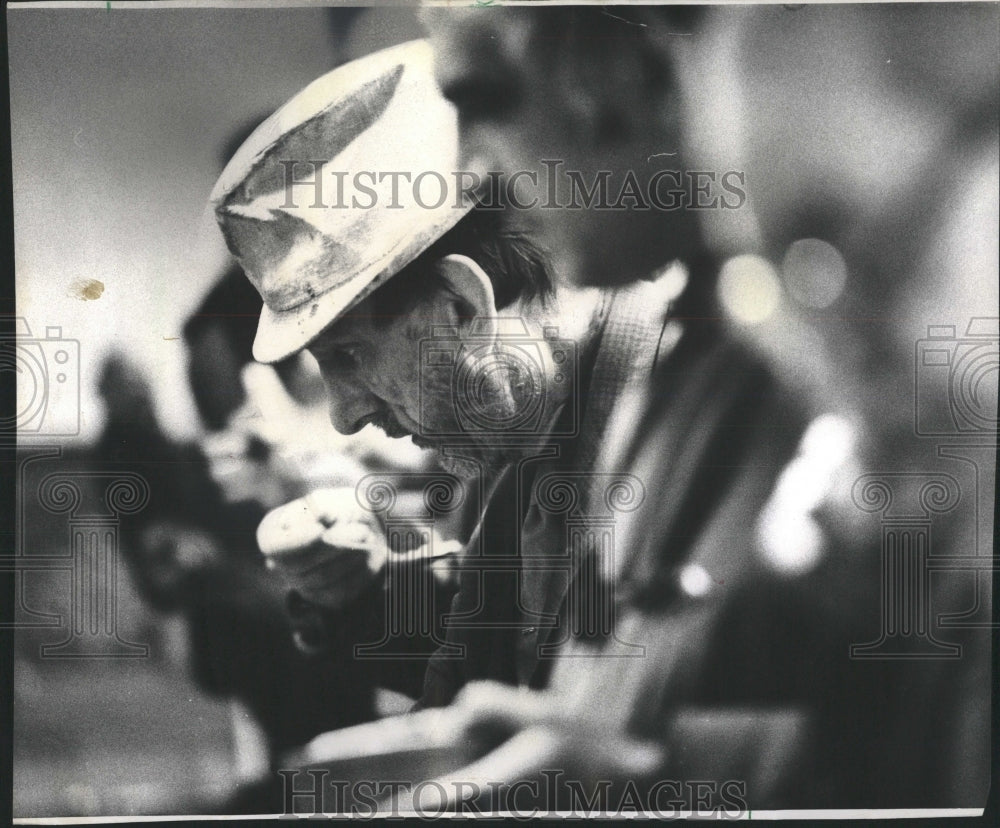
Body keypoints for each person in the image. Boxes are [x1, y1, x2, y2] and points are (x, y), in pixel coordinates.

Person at [416, 3, 995, 811]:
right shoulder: (659, 343)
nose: (809, 342)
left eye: (835, 250)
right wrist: (623, 772)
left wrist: (642, 781)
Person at [210, 39, 691, 718]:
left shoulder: (678, 399)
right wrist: (363, 589)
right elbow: (498, 646)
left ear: (464, 306)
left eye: (348, 356)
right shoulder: (515, 425)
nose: (343, 417)